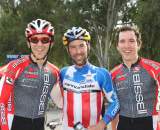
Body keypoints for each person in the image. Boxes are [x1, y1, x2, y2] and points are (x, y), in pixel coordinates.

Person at [0, 19, 63, 130]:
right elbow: (2, 103)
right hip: (15, 123)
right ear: (28, 43)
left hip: (39, 124)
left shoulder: (54, 71)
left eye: (45, 40)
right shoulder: (15, 66)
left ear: (51, 43)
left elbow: (61, 103)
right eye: (34, 40)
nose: (39, 44)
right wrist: (4, 128)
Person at [60, 26, 120, 130]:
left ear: (88, 46)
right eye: (73, 47)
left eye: (81, 46)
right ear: (68, 50)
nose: (78, 51)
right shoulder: (63, 73)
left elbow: (116, 103)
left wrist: (102, 123)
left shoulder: (102, 74)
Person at [111, 25, 160, 130]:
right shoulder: (113, 74)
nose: (127, 45)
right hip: (123, 124)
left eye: (131, 41)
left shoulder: (155, 69)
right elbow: (113, 106)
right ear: (117, 46)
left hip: (150, 122)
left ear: (139, 44)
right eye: (122, 41)